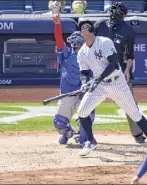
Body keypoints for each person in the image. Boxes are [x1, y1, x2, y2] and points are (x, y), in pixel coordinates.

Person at [76, 20, 147, 156]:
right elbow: (84, 73)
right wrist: (84, 83)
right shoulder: (82, 52)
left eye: (87, 28)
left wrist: (97, 80)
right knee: (82, 112)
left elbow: (114, 64)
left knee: (134, 113)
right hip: (99, 86)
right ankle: (90, 141)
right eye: (82, 28)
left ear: (92, 31)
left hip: (116, 83)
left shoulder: (104, 42)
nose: (85, 30)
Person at [94, 2, 146, 144]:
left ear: (125, 15)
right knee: (86, 101)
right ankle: (82, 132)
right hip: (98, 71)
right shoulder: (100, 25)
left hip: (118, 72)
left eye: (118, 13)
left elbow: (130, 55)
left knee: (130, 104)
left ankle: (138, 133)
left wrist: (127, 70)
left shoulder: (129, 31)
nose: (114, 15)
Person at [51, 14, 95, 146]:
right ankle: (68, 133)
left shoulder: (90, 55)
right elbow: (58, 38)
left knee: (87, 117)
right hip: (67, 94)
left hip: (83, 95)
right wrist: (57, 24)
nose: (75, 42)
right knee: (59, 123)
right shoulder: (65, 53)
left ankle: (83, 137)